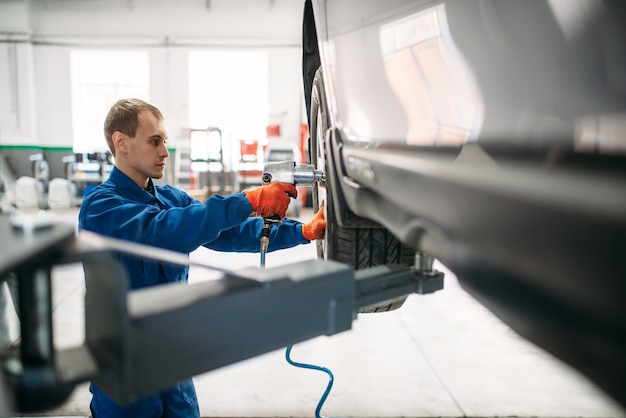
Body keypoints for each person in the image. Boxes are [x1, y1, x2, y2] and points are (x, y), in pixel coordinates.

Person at [78, 98, 326, 418]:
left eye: (164, 141)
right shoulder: (100, 206)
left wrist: (302, 231)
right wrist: (247, 200)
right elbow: (163, 230)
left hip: (173, 361)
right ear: (121, 142)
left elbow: (230, 233)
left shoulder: (171, 198)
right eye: (155, 142)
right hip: (124, 366)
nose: (165, 152)